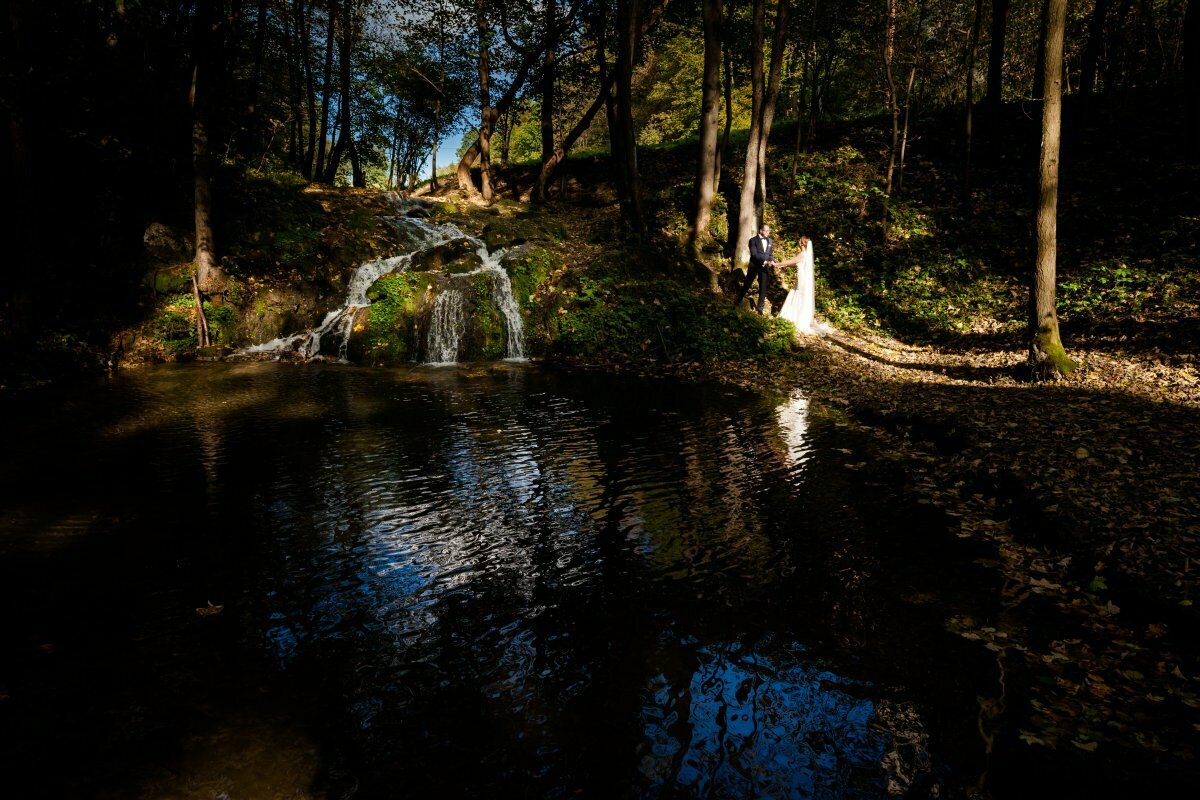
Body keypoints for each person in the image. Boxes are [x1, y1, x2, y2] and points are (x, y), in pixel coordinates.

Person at [735, 223, 775, 314]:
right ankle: (738, 300)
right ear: (761, 231)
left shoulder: (770, 241)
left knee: (763, 287)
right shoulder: (753, 240)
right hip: (754, 266)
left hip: (764, 268)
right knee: (747, 284)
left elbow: (770, 254)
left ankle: (760, 308)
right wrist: (765, 262)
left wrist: (771, 261)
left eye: (769, 230)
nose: (768, 232)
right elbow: (754, 254)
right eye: (766, 230)